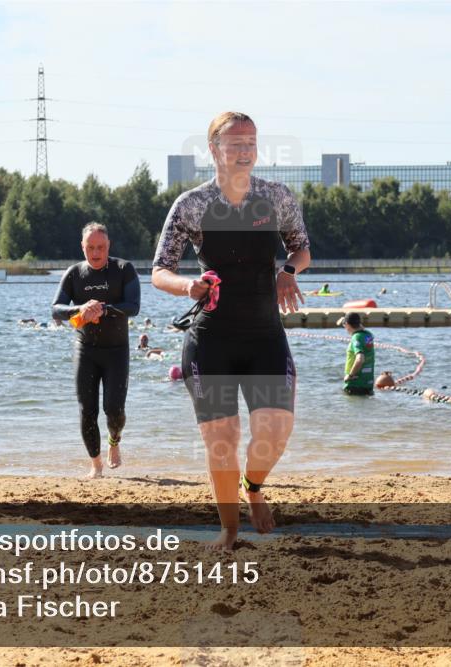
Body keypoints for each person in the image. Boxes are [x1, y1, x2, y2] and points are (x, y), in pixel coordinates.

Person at [151, 111, 310, 551]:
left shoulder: (276, 198)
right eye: (235, 143)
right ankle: (229, 529)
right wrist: (189, 286)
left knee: (275, 432)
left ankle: (253, 486)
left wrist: (288, 271)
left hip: (264, 335)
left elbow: (301, 246)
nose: (245, 151)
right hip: (211, 338)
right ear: (214, 150)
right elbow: (160, 270)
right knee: (222, 439)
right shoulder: (192, 204)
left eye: (251, 143)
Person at [52, 222, 141, 479]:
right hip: (85, 350)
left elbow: (133, 306)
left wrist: (102, 308)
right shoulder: (74, 273)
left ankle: (115, 440)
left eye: (100, 247)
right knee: (86, 410)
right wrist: (80, 310)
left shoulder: (124, 269)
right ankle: (96, 464)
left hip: (116, 351)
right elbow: (56, 309)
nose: (95, 252)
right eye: (90, 247)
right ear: (83, 247)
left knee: (114, 410)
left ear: (108, 246)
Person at [339, 312, 375, 395]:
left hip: (354, 384)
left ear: (347, 324)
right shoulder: (368, 335)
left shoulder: (356, 338)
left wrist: (350, 376)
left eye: (344, 325)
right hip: (368, 384)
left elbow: (360, 359)